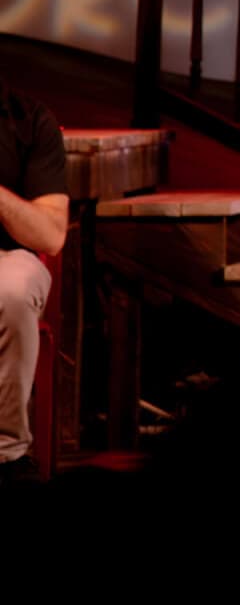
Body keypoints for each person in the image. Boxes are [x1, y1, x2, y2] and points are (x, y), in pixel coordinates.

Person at [0, 80, 67, 485]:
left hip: (7, 256)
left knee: (11, 290)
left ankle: (5, 455)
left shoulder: (29, 121)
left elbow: (51, 236)